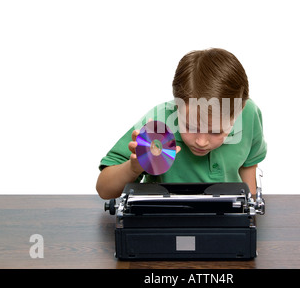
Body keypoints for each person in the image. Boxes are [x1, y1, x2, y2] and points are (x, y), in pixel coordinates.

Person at [96, 48, 267, 199]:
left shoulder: (249, 114)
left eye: (216, 131)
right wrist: (133, 168)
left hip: (226, 215)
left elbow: (248, 165)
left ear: (239, 111)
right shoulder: (159, 121)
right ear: (176, 106)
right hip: (164, 217)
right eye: (191, 127)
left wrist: (248, 212)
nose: (201, 141)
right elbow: (104, 190)